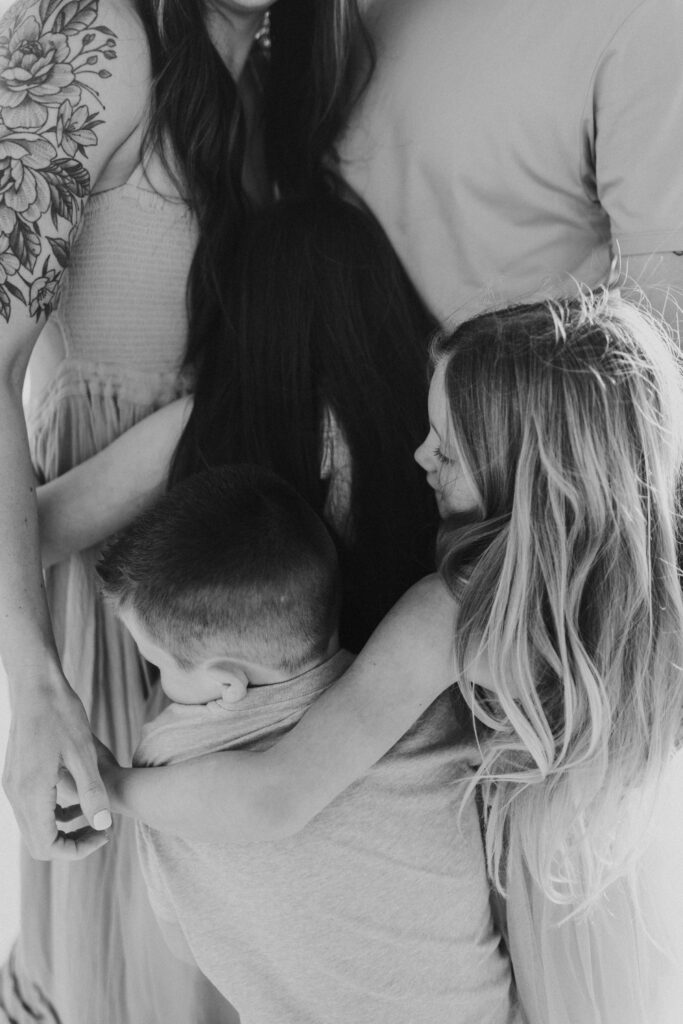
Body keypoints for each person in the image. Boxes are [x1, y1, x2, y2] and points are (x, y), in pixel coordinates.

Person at [86, 290, 682, 1022]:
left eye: (448, 447)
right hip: (625, 926)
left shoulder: (455, 613)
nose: (417, 455)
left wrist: (114, 788)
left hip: (535, 920)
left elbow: (280, 794)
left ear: (527, 469)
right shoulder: (645, 620)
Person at [0, 0, 374, 1020]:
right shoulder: (101, 37)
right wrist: (30, 687)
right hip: (116, 610)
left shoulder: (289, 62)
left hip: (249, 599)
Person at [90, 463, 520, 1024]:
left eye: (157, 664)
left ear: (227, 682)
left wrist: (113, 785)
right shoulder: (431, 702)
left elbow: (182, 937)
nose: (159, 683)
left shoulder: (171, 765)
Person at [339, 0, 683, 335]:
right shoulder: (643, 17)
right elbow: (666, 331)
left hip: (389, 374)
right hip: (528, 382)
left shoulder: (355, 18)